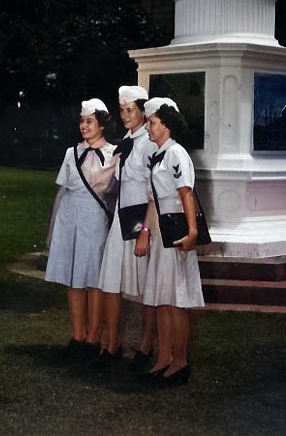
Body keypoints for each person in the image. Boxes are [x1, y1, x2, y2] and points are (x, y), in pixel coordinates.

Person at [135, 98, 205, 386]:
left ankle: (180, 362)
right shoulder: (158, 155)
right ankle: (164, 359)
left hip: (176, 227)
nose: (148, 128)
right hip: (161, 227)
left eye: (152, 123)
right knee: (162, 298)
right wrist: (146, 232)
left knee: (176, 300)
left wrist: (192, 232)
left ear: (166, 125)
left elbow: (186, 193)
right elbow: (153, 200)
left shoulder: (176, 154)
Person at [45, 98, 117, 359]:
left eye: (89, 121)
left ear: (102, 124)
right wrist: (52, 230)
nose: (84, 126)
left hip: (94, 217)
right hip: (69, 217)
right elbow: (61, 192)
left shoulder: (115, 154)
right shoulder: (70, 153)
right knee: (72, 278)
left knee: (93, 279)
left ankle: (93, 338)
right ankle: (77, 336)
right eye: (82, 121)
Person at [91, 85, 157, 370]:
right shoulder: (125, 142)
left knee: (148, 287)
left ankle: (145, 346)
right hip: (122, 217)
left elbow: (154, 190)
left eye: (130, 110)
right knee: (109, 281)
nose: (125, 115)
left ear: (143, 111)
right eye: (122, 110)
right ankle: (112, 343)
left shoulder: (150, 142)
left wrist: (146, 230)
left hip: (142, 220)